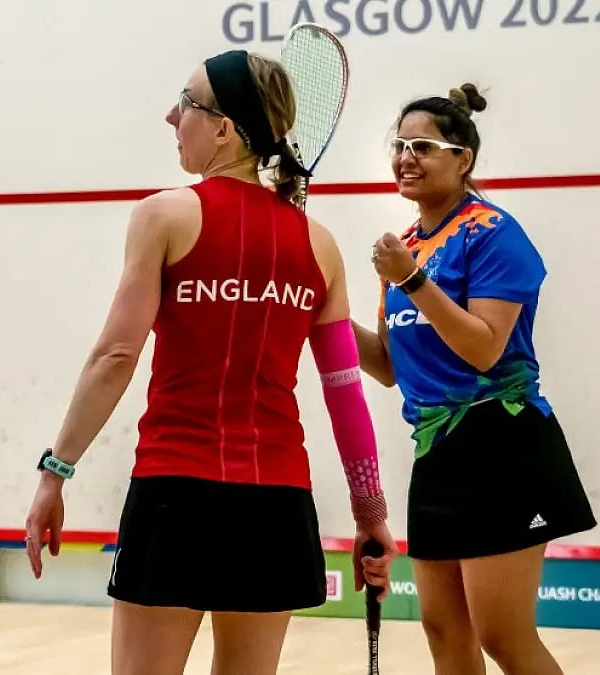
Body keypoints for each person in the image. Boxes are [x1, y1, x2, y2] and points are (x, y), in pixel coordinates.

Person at [23, 49, 398, 675]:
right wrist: (372, 517)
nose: (172, 116)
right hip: (277, 505)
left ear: (224, 127)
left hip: (177, 495)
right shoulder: (320, 244)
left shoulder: (163, 214)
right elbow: (344, 393)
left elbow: (117, 354)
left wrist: (55, 472)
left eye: (187, 103)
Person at [354, 85, 597, 675]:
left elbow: (486, 349)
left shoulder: (492, 233)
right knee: (444, 631)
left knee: (502, 637)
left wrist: (411, 281)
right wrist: (323, 316)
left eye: (423, 146)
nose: (406, 157)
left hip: (504, 446)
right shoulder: (407, 248)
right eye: (400, 145)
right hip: (437, 452)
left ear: (463, 159)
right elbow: (389, 367)